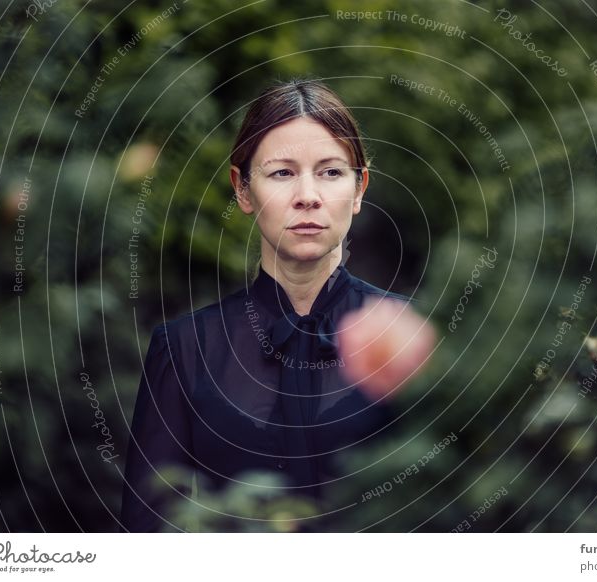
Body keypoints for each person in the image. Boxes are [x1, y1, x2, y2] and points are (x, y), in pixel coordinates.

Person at [120, 78, 418, 532]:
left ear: (359, 190)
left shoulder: (408, 339)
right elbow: (148, 533)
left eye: (331, 171)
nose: (307, 195)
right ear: (242, 189)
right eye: (282, 172)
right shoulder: (184, 350)